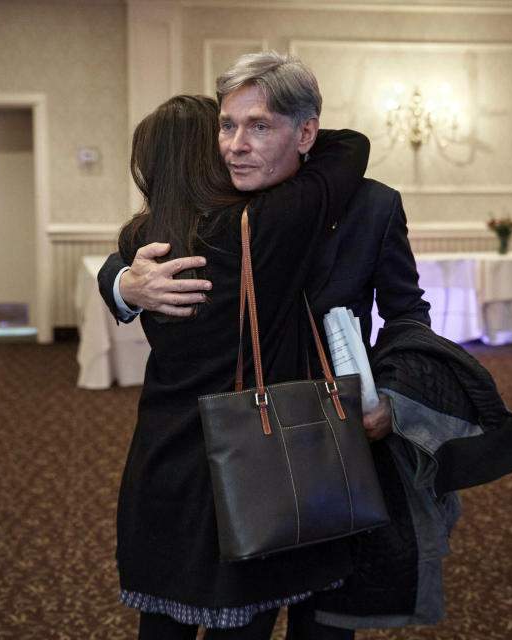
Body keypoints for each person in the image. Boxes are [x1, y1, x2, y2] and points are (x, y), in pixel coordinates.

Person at [112, 90, 371, 638]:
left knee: (162, 613)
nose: (237, 143)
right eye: (226, 132)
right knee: (241, 616)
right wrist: (277, 132)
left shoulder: (138, 244)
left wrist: (121, 282)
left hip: (163, 448)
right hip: (250, 446)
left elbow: (119, 269)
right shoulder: (264, 224)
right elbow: (351, 146)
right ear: (211, 155)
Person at [97, 52, 431, 443]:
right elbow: (139, 243)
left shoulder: (372, 206)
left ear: (306, 134)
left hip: (330, 430)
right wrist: (124, 283)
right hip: (221, 433)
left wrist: (395, 396)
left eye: (258, 126)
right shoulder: (216, 204)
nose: (235, 147)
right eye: (226, 126)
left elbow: (407, 313)